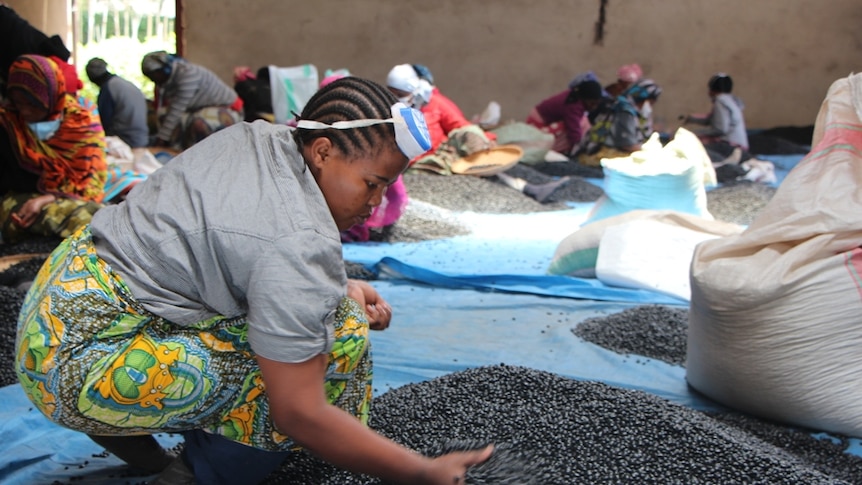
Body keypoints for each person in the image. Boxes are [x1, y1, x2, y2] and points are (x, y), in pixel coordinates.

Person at [14, 76, 493, 485]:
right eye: (372, 183)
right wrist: (417, 470)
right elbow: (298, 412)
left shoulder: (256, 139)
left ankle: (132, 440)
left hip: (54, 317)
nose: (377, 202)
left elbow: (234, 252)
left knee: (315, 312)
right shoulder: (300, 242)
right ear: (323, 150)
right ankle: (201, 472)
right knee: (341, 335)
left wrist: (337, 284)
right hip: (77, 371)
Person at [386, 63, 569, 202]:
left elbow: (461, 126)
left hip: (445, 156)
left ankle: (524, 188)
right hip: (418, 168)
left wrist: (484, 141)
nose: (397, 98)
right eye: (393, 93)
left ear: (418, 90)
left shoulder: (436, 104)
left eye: (401, 93)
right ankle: (526, 188)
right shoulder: (392, 110)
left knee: (472, 143)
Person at [0, 54, 106, 243]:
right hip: (17, 200)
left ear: (51, 96)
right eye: (18, 103)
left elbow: (89, 183)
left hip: (67, 198)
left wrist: (45, 199)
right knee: (84, 221)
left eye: (32, 104)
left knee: (105, 218)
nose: (24, 111)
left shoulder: (81, 123)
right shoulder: (9, 125)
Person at [141, 51, 243, 150]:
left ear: (163, 70)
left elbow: (177, 107)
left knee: (198, 123)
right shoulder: (167, 80)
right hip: (200, 107)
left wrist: (161, 139)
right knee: (164, 114)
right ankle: (176, 151)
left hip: (228, 107)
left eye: (153, 76)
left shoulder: (187, 74)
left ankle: (201, 155)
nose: (152, 80)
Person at [578, 78, 663, 166]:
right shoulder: (624, 111)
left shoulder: (630, 110)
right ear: (642, 98)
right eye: (650, 103)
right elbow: (627, 144)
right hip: (599, 153)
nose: (650, 107)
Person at [526, 74, 606, 157]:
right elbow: (574, 129)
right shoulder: (573, 106)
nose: (594, 107)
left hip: (541, 120)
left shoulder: (574, 96)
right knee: (578, 126)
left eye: (596, 104)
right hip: (537, 125)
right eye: (592, 103)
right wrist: (579, 149)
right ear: (584, 98)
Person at [682, 73, 751, 164]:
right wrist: (692, 119)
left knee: (692, 148)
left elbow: (721, 129)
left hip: (730, 146)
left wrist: (695, 133)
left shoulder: (720, 101)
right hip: (741, 146)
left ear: (713, 89)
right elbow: (711, 119)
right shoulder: (731, 100)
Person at [85, 57, 149, 149]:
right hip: (142, 137)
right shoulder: (122, 83)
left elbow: (104, 121)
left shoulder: (108, 88)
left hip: (126, 139)